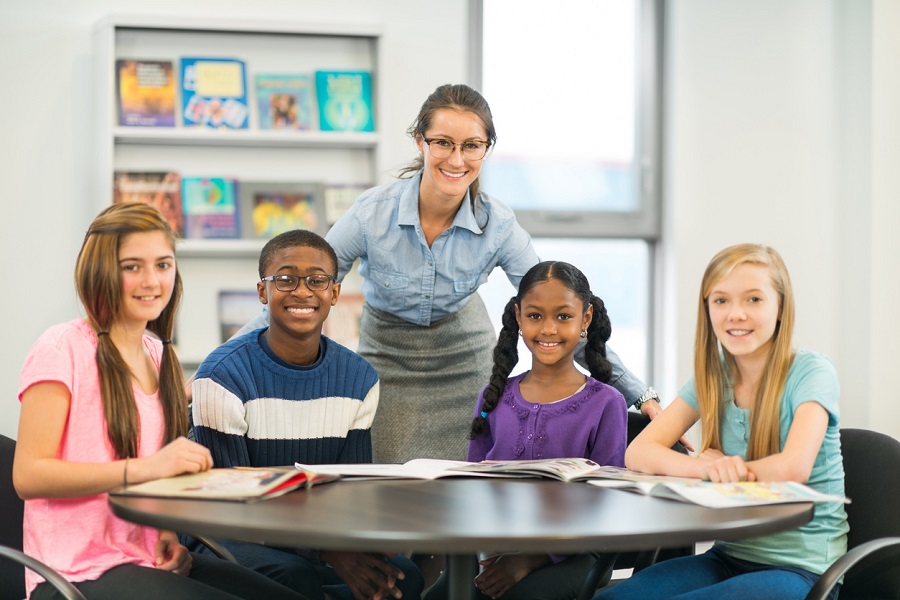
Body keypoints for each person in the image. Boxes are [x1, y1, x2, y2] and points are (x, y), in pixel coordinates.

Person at [235, 83, 659, 464]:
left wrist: (640, 394)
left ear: (486, 149)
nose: (457, 159)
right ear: (420, 141)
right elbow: (297, 293)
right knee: (388, 486)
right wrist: (223, 365)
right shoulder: (370, 214)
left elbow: (558, 309)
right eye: (443, 142)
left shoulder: (499, 226)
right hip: (387, 358)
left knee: (465, 487)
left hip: (465, 361)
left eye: (472, 145)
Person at [13, 203, 305, 600]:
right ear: (100, 270)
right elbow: (29, 476)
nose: (151, 281)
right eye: (132, 266)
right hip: (73, 573)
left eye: (163, 265)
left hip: (143, 559)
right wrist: (147, 468)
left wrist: (166, 535)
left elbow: (159, 472)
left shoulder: (157, 353)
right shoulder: (61, 347)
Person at [594, 244, 848, 600]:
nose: (736, 314)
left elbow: (794, 467)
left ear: (780, 308)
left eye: (754, 300)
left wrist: (725, 469)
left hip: (803, 571)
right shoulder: (712, 376)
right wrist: (701, 469)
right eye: (721, 301)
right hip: (728, 557)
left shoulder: (811, 372)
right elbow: (640, 452)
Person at [189, 229, 424, 600]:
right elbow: (229, 507)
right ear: (263, 292)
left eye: (317, 280)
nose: (302, 291)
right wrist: (326, 550)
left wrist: (350, 546)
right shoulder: (222, 375)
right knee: (294, 575)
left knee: (402, 574)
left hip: (315, 537)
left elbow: (350, 493)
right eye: (285, 279)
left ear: (333, 292)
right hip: (226, 535)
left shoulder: (358, 378)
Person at [423, 261, 627, 600]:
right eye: (535, 316)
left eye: (563, 316)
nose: (548, 329)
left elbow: (606, 504)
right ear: (518, 317)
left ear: (585, 319)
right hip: (495, 550)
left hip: (574, 551)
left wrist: (531, 559)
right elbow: (472, 487)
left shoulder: (607, 403)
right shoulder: (493, 397)